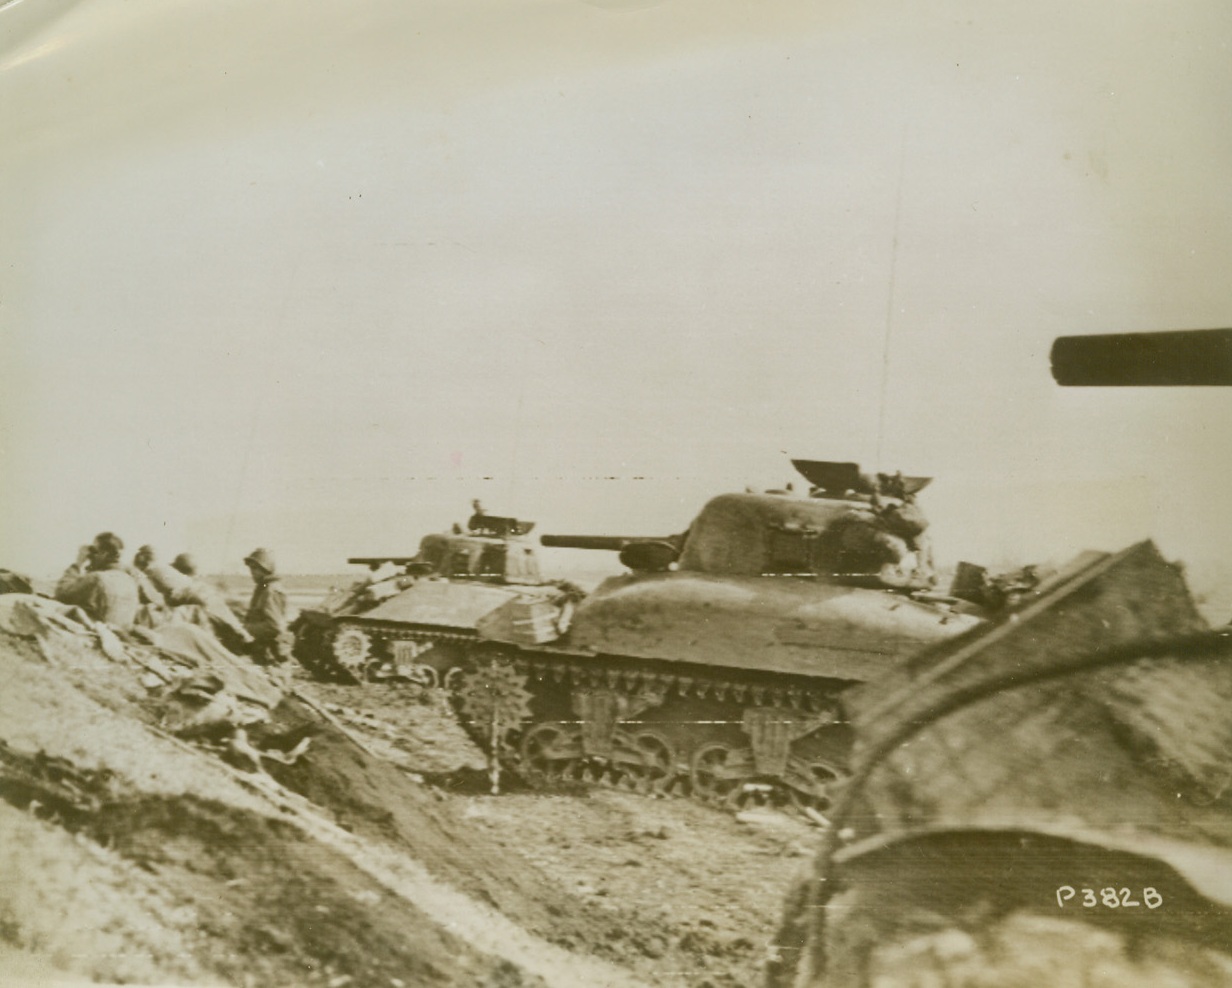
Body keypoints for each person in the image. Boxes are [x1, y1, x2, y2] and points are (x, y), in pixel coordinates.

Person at [55, 532, 141, 628]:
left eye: (94, 551)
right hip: (119, 634)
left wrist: (78, 564)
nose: (91, 556)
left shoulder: (97, 579)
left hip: (98, 636)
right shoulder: (130, 581)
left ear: (104, 554)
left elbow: (61, 594)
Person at [243, 547, 292, 666]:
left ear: (265, 569)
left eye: (255, 568)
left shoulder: (270, 590)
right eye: (250, 568)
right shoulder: (263, 588)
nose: (251, 572)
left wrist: (245, 629)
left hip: (273, 657)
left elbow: (274, 626)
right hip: (265, 652)